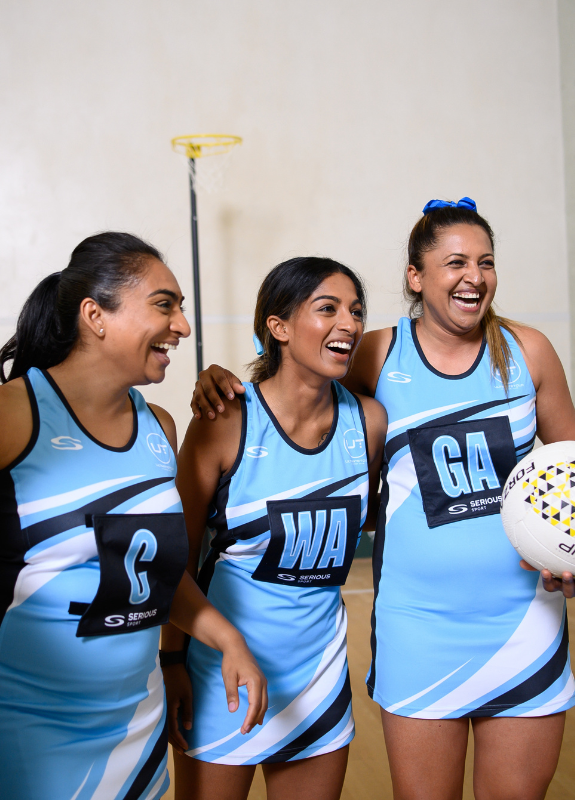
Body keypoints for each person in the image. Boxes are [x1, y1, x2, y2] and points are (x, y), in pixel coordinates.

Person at [191, 199, 575, 800]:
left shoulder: (528, 351)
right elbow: (292, 394)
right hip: (417, 625)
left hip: (524, 621)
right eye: (455, 263)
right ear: (416, 277)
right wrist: (221, 382)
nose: (474, 276)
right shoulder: (375, 353)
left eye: (486, 262)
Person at [0, 232, 268, 800]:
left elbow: (153, 571)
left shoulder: (160, 426)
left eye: (181, 308)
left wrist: (225, 638)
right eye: (164, 305)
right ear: (95, 315)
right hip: (24, 715)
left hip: (135, 715)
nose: (183, 326)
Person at [165, 257, 386, 799]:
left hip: (319, 674)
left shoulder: (369, 422)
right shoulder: (225, 419)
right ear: (278, 326)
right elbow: (176, 558)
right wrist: (171, 661)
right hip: (223, 674)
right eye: (328, 308)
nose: (350, 323)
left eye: (356, 311)